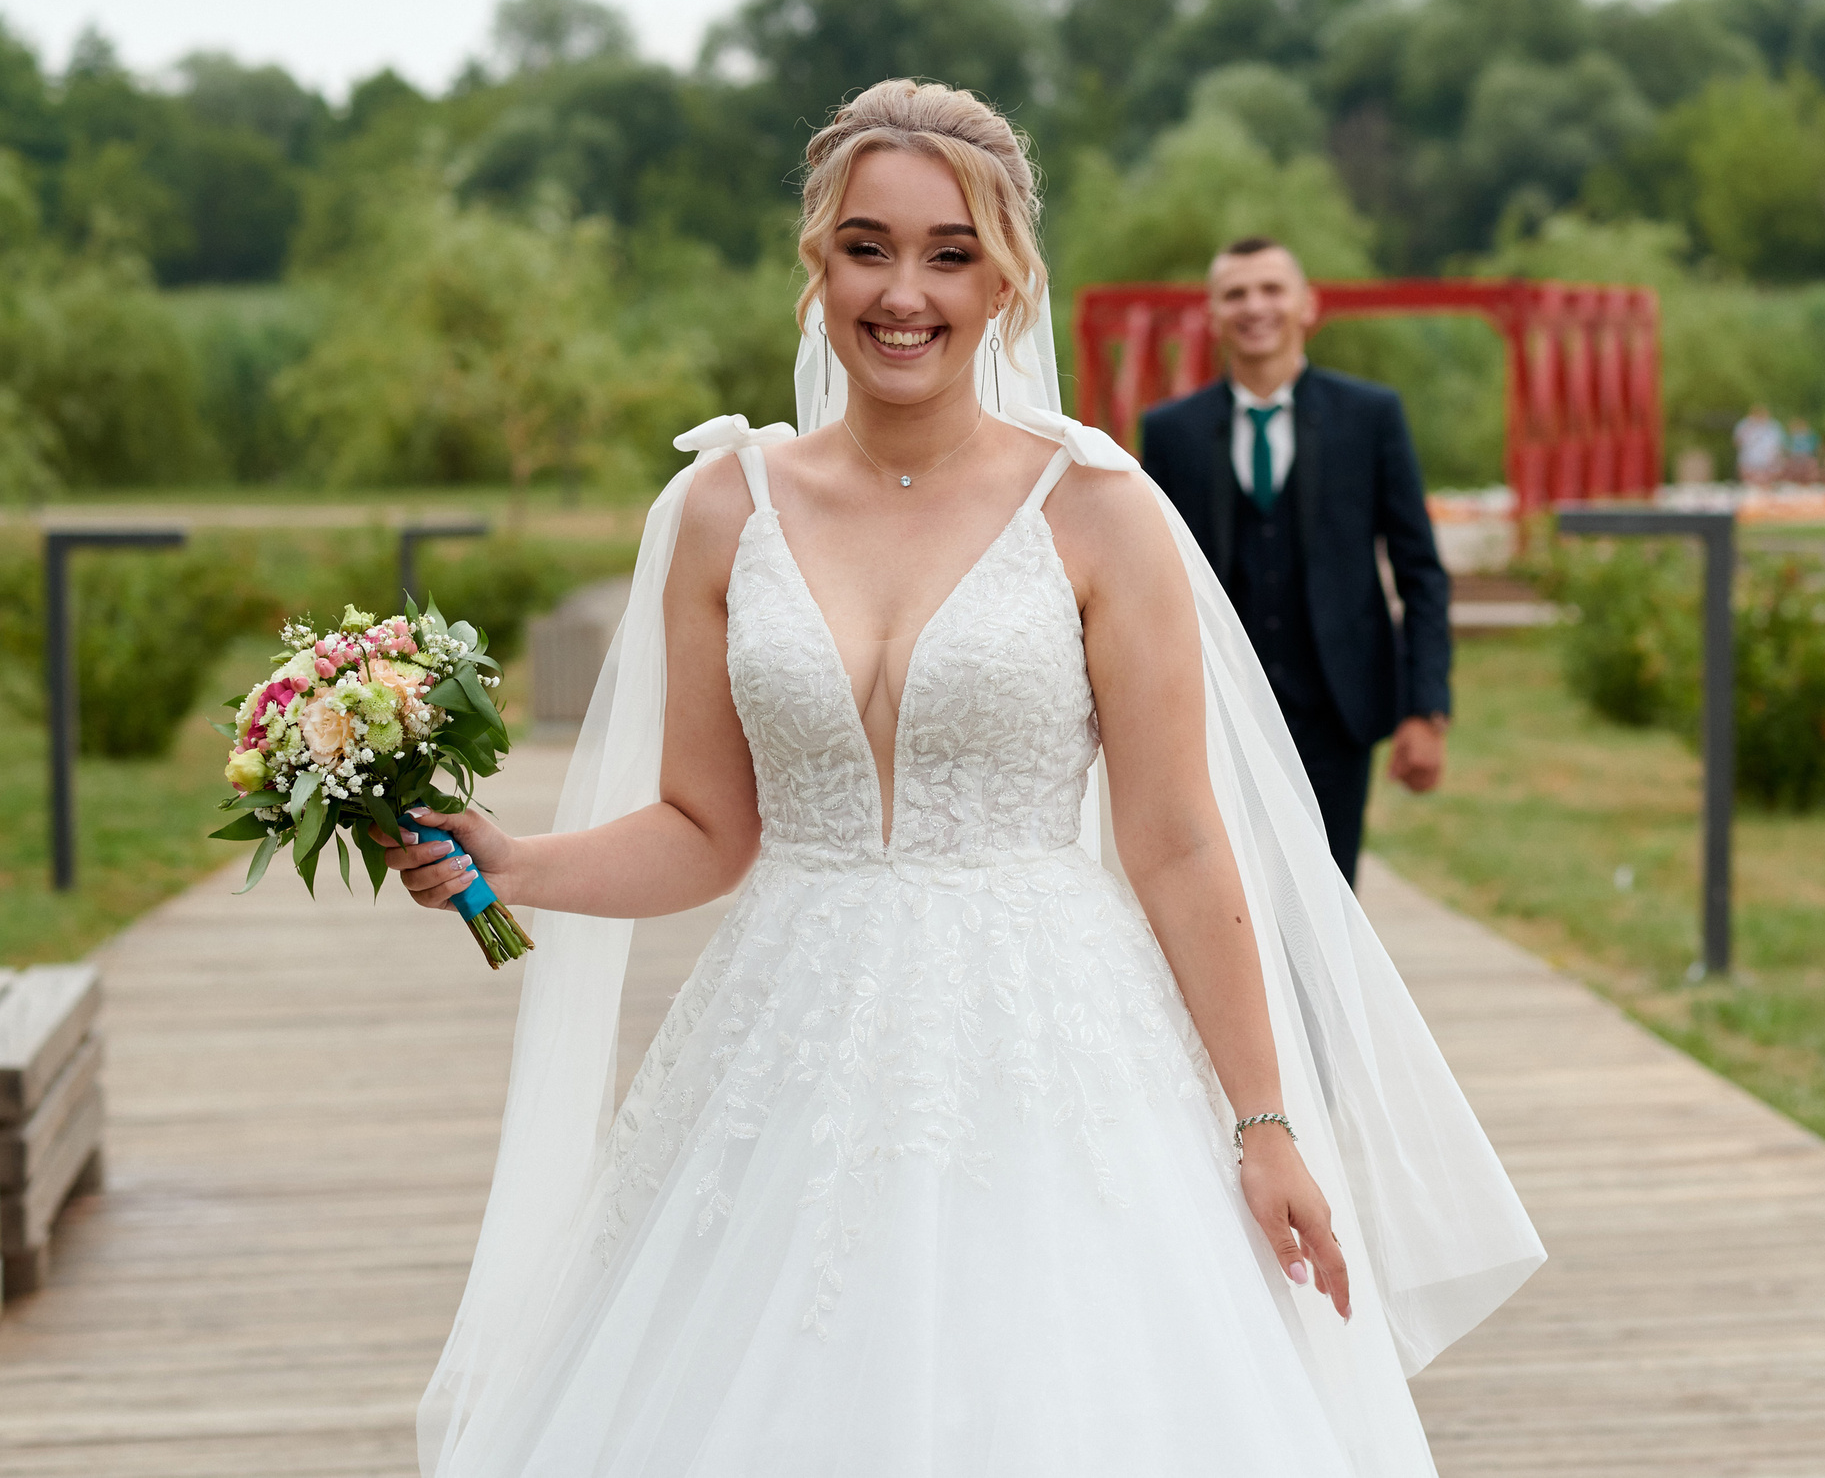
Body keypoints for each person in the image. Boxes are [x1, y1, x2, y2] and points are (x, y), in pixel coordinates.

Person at [383, 82, 1539, 1477]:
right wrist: (514, 861)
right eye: (868, 247)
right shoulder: (720, 508)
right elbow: (705, 830)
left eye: (949, 253)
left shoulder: (1101, 511)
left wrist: (1266, 1121)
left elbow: (1174, 842)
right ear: (818, 262)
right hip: (784, 1048)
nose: (905, 293)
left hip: (1047, 1042)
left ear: (1008, 277)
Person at [1139, 239, 1452, 885]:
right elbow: (1145, 580)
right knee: (1225, 899)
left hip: (1337, 711)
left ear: (1308, 305)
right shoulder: (1171, 432)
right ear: (1214, 312)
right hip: (1213, 717)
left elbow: (1420, 571)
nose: (1255, 306)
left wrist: (1425, 709)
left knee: (1328, 902)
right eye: (1236, 293)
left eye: (1272, 289)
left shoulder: (1371, 416)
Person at [1732, 403, 1784, 489]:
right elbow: (1737, 442)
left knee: (1777, 467)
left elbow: (1780, 447)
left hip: (1769, 465)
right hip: (1749, 463)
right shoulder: (1744, 424)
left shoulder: (1774, 426)